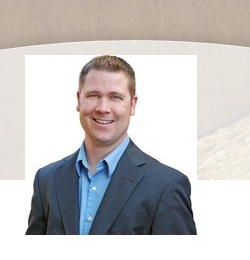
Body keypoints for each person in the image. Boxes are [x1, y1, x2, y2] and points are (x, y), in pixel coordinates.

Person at [24, 55, 196, 235]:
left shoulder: (166, 185)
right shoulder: (47, 180)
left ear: (132, 105)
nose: (103, 108)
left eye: (115, 97)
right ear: (79, 100)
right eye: (93, 95)